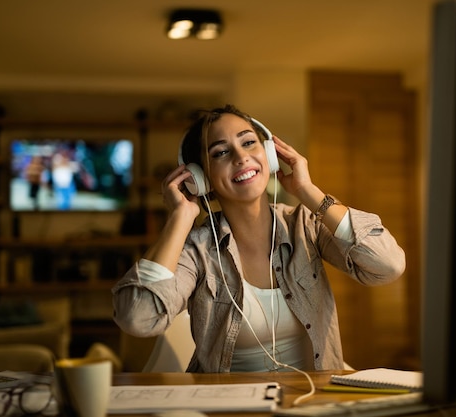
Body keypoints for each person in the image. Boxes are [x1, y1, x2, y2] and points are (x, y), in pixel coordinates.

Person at [112, 104, 406, 373]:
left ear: (269, 154)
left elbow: (387, 265)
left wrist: (308, 191)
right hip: (229, 405)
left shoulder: (305, 224)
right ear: (201, 179)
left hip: (313, 399)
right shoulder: (197, 249)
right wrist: (180, 218)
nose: (241, 157)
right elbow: (138, 318)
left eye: (249, 142)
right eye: (220, 152)